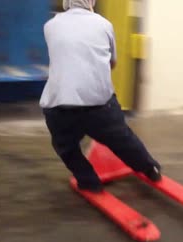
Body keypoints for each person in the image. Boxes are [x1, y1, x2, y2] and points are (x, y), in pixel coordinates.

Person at [40, 0, 162, 193]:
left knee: (66, 147)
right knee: (123, 139)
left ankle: (89, 182)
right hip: (99, 106)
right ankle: (150, 169)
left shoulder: (50, 26)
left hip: (59, 107)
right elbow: (111, 62)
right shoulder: (104, 24)